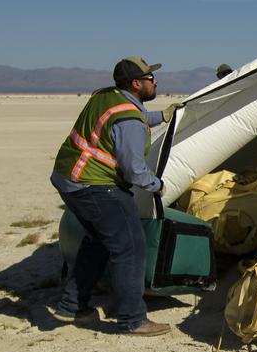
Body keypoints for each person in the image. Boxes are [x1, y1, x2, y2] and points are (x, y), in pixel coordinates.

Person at [50, 56, 178, 336]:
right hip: (94, 185)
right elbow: (133, 170)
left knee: (98, 240)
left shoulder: (107, 97)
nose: (155, 81)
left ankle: (72, 306)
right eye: (150, 78)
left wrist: (163, 117)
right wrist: (157, 185)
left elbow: (129, 118)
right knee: (130, 248)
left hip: (68, 178)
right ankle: (133, 319)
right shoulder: (128, 119)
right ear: (136, 83)